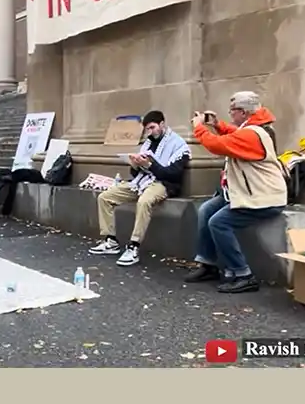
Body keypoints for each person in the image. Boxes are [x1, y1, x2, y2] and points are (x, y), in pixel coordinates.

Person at [184, 91, 288, 294]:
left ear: (243, 112)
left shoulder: (252, 134)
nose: (230, 114)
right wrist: (217, 125)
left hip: (263, 198)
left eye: (232, 110)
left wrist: (199, 128)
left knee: (219, 222)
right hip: (247, 193)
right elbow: (234, 134)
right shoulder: (254, 128)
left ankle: (243, 274)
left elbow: (217, 145)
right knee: (207, 210)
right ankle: (209, 264)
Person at [89, 111, 191, 266]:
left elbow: (173, 174)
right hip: (141, 181)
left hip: (163, 184)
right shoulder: (148, 143)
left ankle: (134, 246)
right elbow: (136, 173)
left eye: (152, 128)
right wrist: (135, 164)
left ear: (162, 124)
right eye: (147, 129)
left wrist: (149, 165)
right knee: (105, 197)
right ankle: (110, 241)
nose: (150, 132)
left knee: (144, 202)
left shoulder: (178, 145)